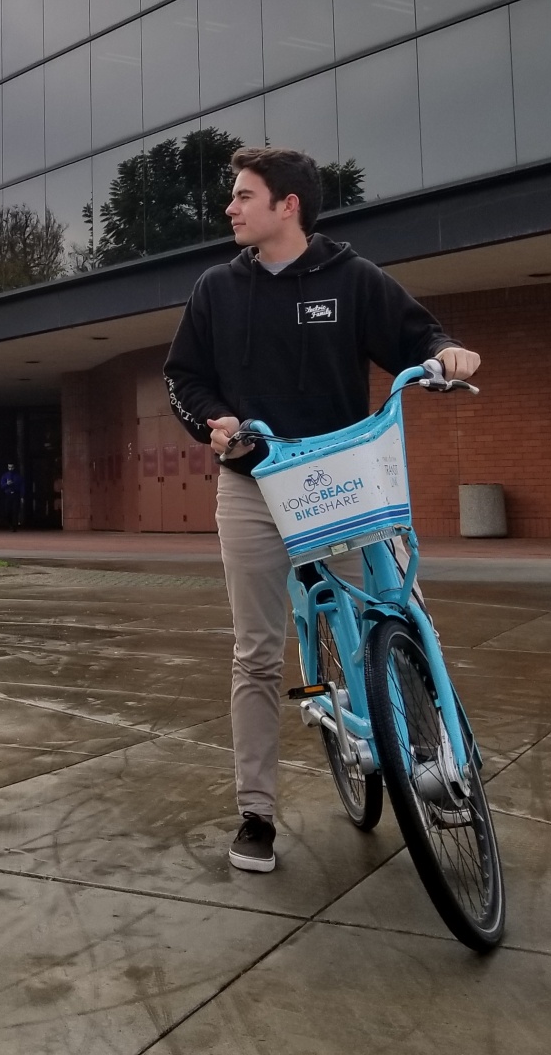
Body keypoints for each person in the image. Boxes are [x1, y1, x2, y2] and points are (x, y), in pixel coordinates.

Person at [163, 147, 480, 875]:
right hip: (253, 484)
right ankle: (256, 815)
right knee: (257, 651)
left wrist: (448, 353)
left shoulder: (351, 278)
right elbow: (184, 378)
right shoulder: (216, 289)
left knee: (399, 612)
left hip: (344, 481)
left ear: (288, 206)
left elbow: (419, 335)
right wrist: (212, 421)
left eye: (244, 196)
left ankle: (440, 763)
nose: (230, 208)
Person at [0, 463, 24, 530]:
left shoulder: (18, 476)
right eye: (9, 467)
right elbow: (2, 486)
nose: (10, 468)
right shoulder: (5, 476)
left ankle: (14, 526)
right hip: (8, 495)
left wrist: (22, 496)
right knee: (7, 511)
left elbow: (22, 486)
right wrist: (7, 484)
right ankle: (10, 524)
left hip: (16, 494)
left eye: (12, 467)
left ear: (14, 467)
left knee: (15, 510)